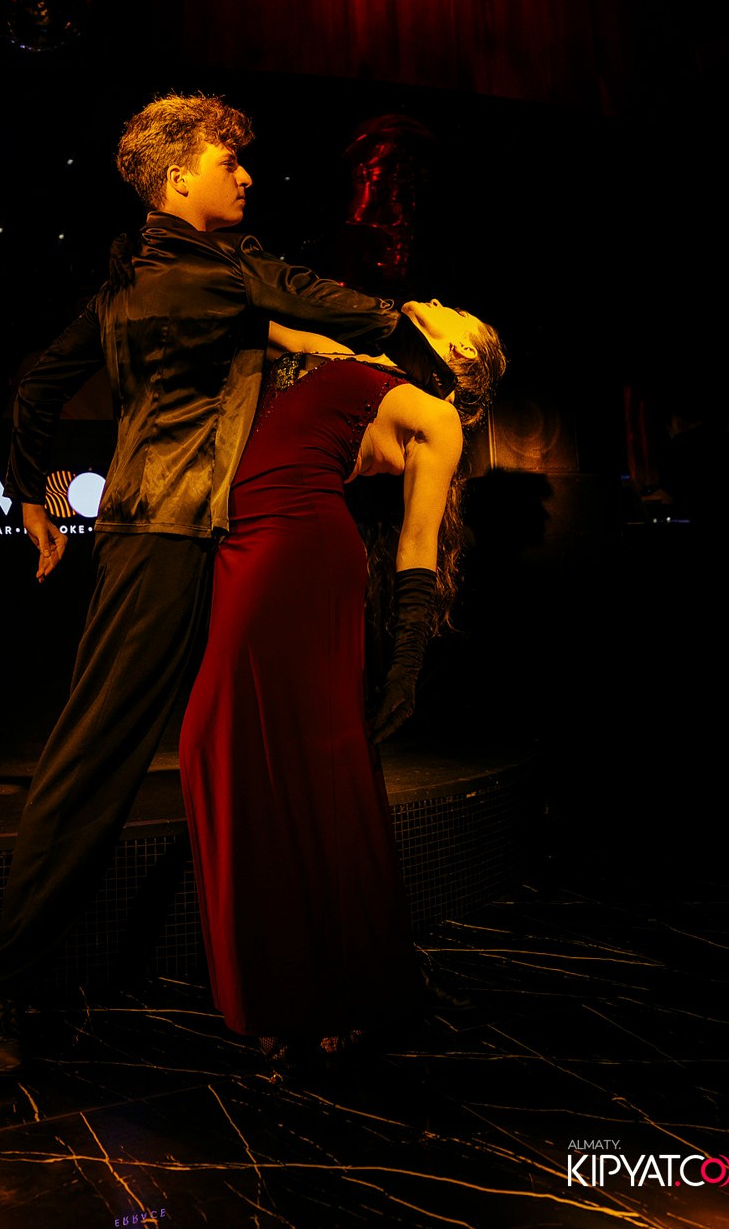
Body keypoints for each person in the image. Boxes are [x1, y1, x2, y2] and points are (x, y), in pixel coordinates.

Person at [0, 93, 448, 1075]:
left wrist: (27, 494)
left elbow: (36, 384)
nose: (245, 176)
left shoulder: (139, 287)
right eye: (228, 162)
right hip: (167, 539)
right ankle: (3, 991)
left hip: (207, 538)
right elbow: (331, 306)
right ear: (179, 174)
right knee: (95, 763)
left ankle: (279, 980)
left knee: (197, 759)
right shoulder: (224, 273)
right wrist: (415, 327)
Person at [178, 300, 506, 1063]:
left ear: (459, 355)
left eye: (453, 311)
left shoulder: (435, 417)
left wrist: (406, 663)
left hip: (293, 557)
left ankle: (322, 990)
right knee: (235, 758)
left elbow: (418, 545)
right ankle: (305, 985)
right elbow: (246, 319)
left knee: (273, 762)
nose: (433, 298)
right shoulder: (346, 350)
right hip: (240, 547)